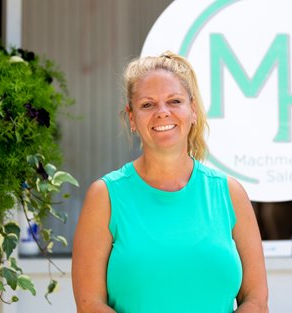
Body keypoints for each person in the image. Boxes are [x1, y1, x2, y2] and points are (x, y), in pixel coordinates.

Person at [72, 51, 269, 313]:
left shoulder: (229, 193)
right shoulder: (106, 196)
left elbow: (256, 299)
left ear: (193, 111)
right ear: (132, 118)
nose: (162, 112)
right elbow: (89, 305)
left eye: (174, 101)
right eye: (147, 105)